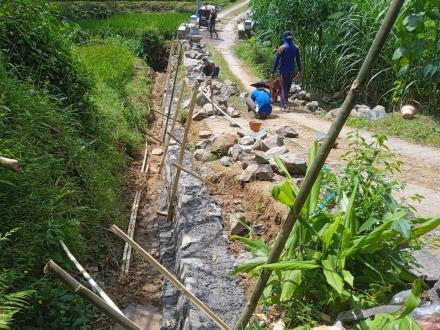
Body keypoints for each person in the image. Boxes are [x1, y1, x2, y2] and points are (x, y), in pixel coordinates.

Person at [271, 30, 302, 111]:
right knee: (287, 87)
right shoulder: (295, 48)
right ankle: (284, 102)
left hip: (283, 71)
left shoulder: (281, 48)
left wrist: (273, 71)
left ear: (284, 38)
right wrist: (300, 70)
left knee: (284, 88)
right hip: (291, 71)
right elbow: (298, 60)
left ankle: (285, 105)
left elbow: (276, 61)